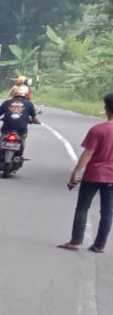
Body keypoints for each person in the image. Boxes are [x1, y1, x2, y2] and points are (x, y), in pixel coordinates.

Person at [58, 92, 113, 254]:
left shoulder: (98, 130)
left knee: (83, 207)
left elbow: (88, 153)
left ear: (106, 109)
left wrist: (76, 172)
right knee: (107, 211)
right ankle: (99, 245)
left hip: (94, 174)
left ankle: (75, 241)